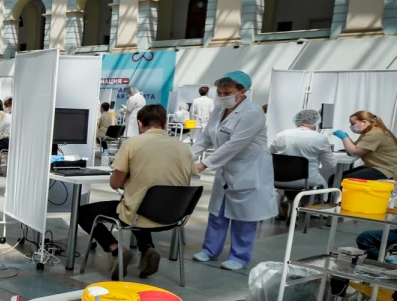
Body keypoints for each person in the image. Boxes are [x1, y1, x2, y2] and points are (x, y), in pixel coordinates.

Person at [78, 104, 196, 279]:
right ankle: (147, 249)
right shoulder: (183, 148)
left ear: (140, 124)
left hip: (139, 213)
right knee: (141, 205)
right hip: (174, 216)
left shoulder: (132, 144)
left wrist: (129, 180)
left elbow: (114, 183)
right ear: (165, 123)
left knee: (86, 212)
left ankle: (115, 249)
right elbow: (186, 181)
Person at [191, 71, 275, 270]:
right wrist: (186, 157)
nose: (222, 96)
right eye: (219, 92)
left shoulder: (252, 113)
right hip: (227, 169)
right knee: (217, 212)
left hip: (248, 169)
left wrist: (203, 164)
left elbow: (234, 145)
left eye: (227, 92)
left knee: (244, 217)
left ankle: (239, 257)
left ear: (242, 91)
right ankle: (210, 250)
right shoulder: (219, 110)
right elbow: (206, 137)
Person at [270, 109, 335, 220]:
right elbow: (330, 164)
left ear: (297, 120)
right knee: (319, 184)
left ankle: (290, 203)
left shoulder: (281, 135)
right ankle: (304, 207)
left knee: (291, 179)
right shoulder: (320, 138)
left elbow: (270, 154)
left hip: (278, 179)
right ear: (316, 122)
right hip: (306, 180)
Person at [333, 110, 397, 181]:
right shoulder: (368, 132)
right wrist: (347, 138)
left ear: (364, 122)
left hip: (387, 170)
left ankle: (336, 192)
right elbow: (355, 146)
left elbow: (354, 152)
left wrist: (344, 137)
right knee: (335, 178)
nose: (351, 127)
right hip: (378, 167)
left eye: (353, 124)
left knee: (342, 180)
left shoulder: (375, 133)